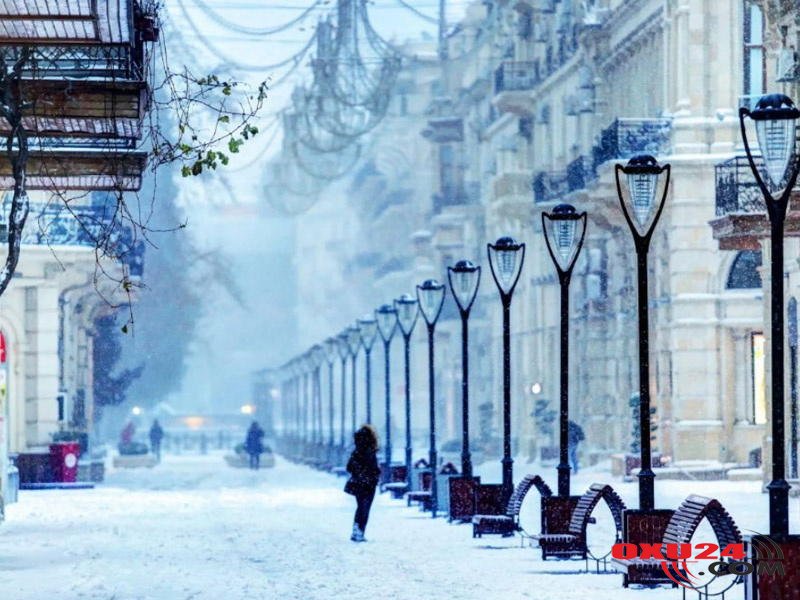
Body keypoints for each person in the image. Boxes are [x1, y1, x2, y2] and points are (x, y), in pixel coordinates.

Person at [346, 425, 381, 542]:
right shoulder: (370, 451)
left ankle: (356, 529)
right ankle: (360, 531)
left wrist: (358, 474)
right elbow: (373, 468)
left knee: (360, 507)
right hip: (368, 484)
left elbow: (349, 467)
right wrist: (374, 475)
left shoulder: (356, 452)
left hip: (358, 483)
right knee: (365, 508)